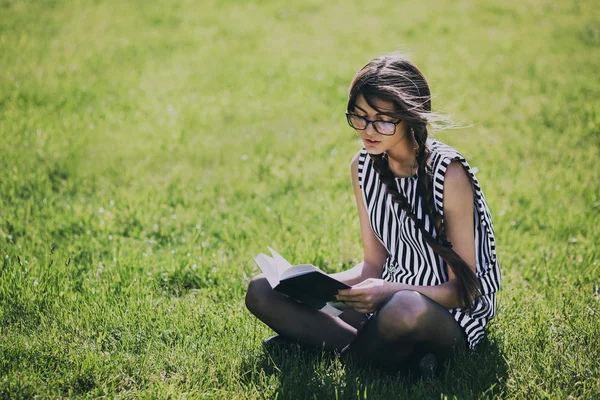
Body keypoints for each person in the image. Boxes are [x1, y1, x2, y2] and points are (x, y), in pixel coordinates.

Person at [245, 53, 501, 375]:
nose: (368, 130)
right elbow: (372, 265)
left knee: (404, 308)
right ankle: (394, 359)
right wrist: (315, 286)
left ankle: (332, 351)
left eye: (382, 120)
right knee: (262, 289)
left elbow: (464, 292)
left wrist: (389, 291)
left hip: (447, 315)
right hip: (386, 299)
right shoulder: (362, 165)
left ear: (410, 117)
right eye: (360, 117)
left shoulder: (449, 174)